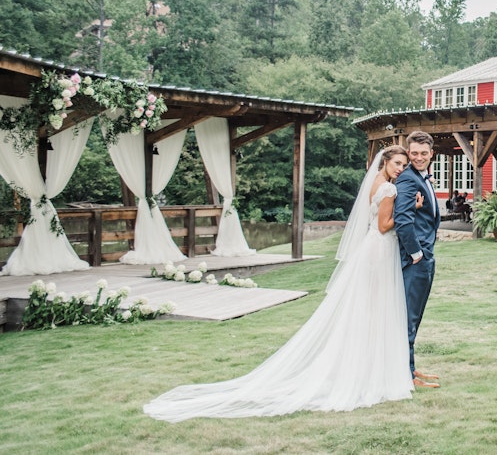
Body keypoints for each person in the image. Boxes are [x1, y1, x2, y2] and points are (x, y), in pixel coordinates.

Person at [144, 147, 420, 422]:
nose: (400, 168)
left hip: (370, 249)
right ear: (384, 161)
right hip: (380, 248)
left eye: (403, 165)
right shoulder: (389, 190)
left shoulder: (375, 183)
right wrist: (412, 208)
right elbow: (384, 226)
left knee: (369, 308)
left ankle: (367, 365)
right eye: (397, 163)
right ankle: (373, 370)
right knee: (377, 306)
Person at [393, 130, 441, 389]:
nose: (419, 157)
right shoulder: (408, 180)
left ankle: (409, 367)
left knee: (414, 316)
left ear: (431, 153)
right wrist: (417, 254)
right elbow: (402, 222)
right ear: (409, 154)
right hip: (415, 260)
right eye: (414, 153)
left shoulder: (422, 178)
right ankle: (405, 374)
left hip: (425, 257)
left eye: (423, 153)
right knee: (409, 318)